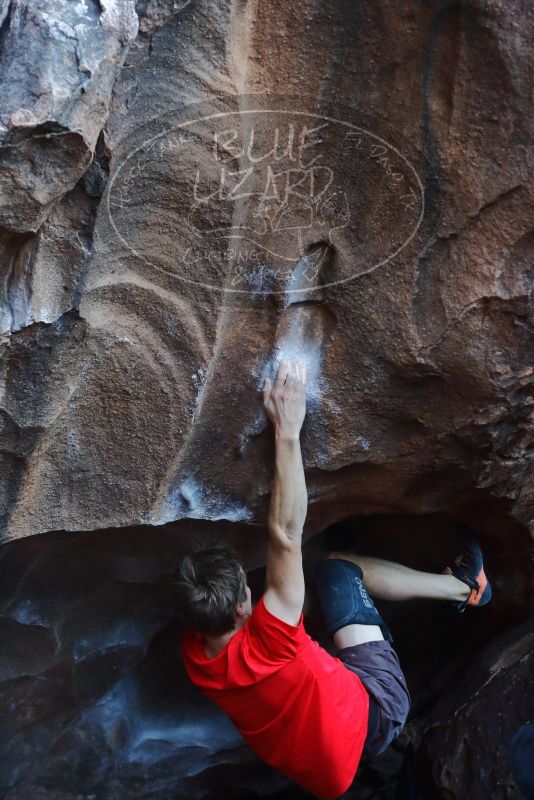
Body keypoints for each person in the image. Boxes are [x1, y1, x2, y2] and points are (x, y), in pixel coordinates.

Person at [175, 359, 492, 799]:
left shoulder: (196, 656)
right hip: (378, 707)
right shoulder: (270, 639)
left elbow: (280, 609)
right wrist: (287, 431)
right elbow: (284, 534)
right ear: (242, 607)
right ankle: (467, 587)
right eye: (251, 590)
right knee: (336, 569)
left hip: (325, 768)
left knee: (307, 584)